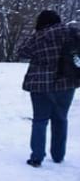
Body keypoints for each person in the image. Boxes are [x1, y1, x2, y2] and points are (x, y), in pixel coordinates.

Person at [17, 10, 80, 167]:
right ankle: (58, 155)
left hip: (40, 85)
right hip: (67, 83)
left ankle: (37, 157)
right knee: (61, 118)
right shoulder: (71, 32)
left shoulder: (39, 36)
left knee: (40, 120)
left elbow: (22, 52)